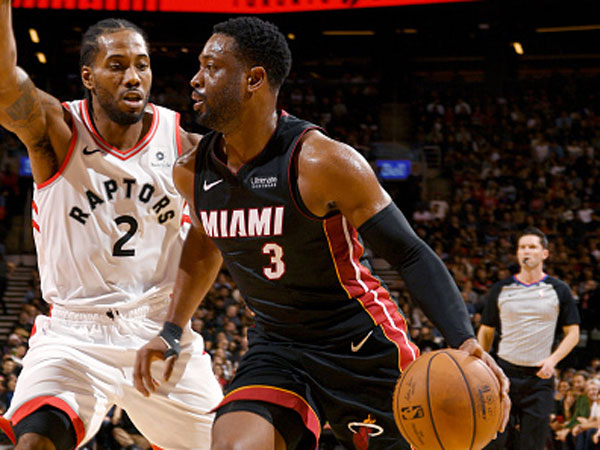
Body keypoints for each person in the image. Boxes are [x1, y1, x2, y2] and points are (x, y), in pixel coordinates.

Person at [134, 16, 510, 450]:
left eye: (211, 66)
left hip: (360, 344)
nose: (196, 79)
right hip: (277, 345)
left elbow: (408, 253)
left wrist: (465, 339)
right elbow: (203, 243)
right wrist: (172, 329)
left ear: (254, 79)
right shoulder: (191, 172)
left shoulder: (322, 162)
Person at [0, 3, 222, 449]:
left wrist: (174, 330)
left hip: (159, 329)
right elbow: (5, 85)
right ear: (88, 77)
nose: (133, 77)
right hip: (74, 335)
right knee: (36, 443)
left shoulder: (184, 147)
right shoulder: (58, 131)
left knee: (233, 444)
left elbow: (208, 243)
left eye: (142, 65)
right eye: (116, 66)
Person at [478, 226, 580, 450]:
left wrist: (552, 361)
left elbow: (573, 333)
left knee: (531, 445)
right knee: (495, 442)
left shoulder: (559, 290)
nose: (527, 251)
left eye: (532, 247)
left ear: (545, 253)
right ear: (517, 253)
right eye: (522, 247)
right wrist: (480, 364)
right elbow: (486, 331)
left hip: (539, 379)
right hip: (503, 375)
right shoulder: (501, 288)